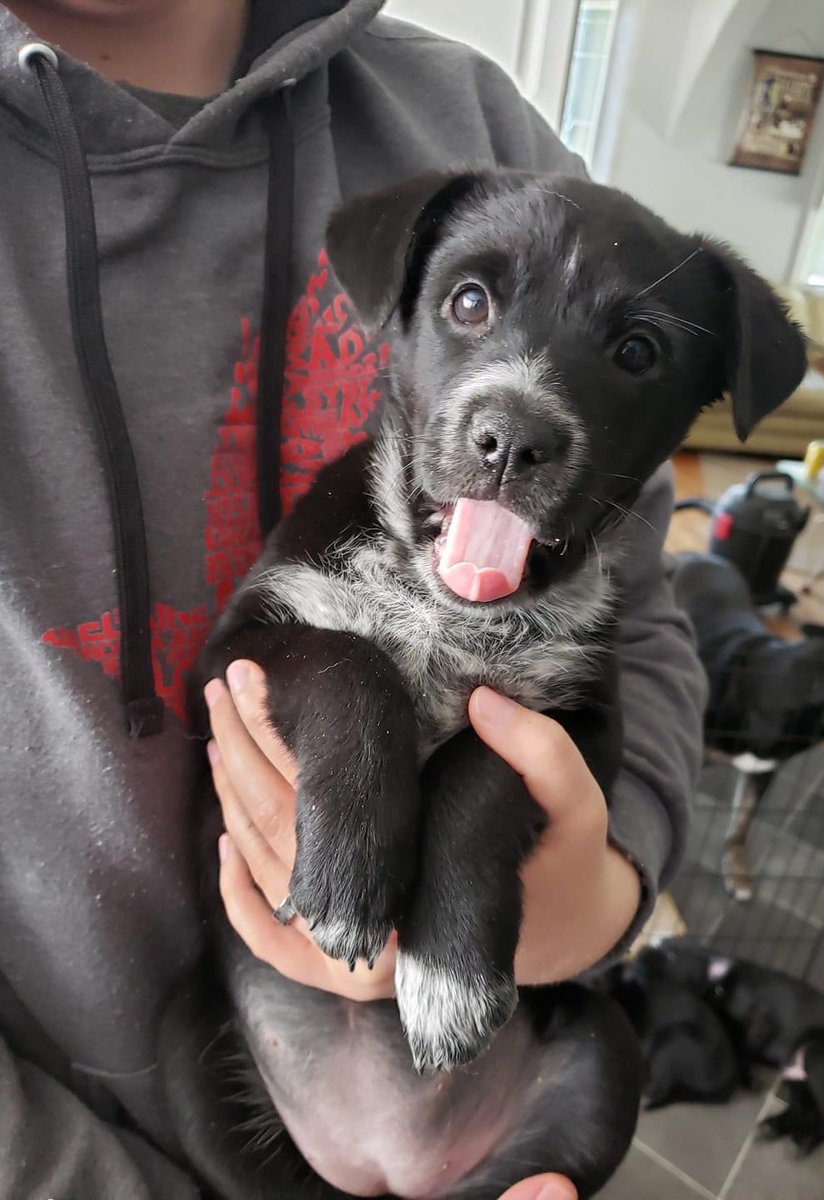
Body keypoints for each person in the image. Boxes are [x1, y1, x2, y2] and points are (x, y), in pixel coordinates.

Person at [0, 2, 706, 1196]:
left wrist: (593, 898)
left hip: (493, 1089)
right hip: (140, 1101)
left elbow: (634, 620)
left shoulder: (470, 126)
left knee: (601, 1059)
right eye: (471, 307)